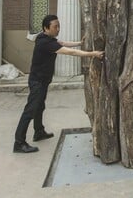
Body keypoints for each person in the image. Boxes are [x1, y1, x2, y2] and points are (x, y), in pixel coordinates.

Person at [13, 15, 104, 153]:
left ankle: (39, 132)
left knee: (39, 107)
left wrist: (79, 42)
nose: (58, 29)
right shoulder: (45, 43)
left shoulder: (44, 38)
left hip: (41, 80)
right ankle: (19, 143)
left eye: (58, 26)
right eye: (55, 27)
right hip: (37, 81)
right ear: (46, 28)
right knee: (30, 110)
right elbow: (70, 52)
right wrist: (93, 54)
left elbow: (62, 43)